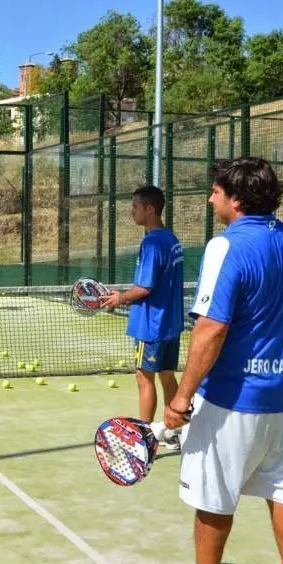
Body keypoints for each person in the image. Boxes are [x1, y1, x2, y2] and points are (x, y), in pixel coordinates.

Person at [153, 158, 283, 564]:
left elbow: (211, 328)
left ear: (236, 198)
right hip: (278, 394)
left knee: (212, 495)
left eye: (215, 192)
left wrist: (179, 399)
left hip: (230, 397)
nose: (210, 199)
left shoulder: (224, 247)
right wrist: (269, 336)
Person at [100, 185, 184, 450]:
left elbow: (145, 287)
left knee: (143, 378)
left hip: (151, 326)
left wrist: (119, 298)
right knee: (167, 376)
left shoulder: (152, 242)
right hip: (170, 324)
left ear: (150, 209)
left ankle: (144, 441)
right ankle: (174, 431)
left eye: (135, 206)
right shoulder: (172, 240)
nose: (131, 210)